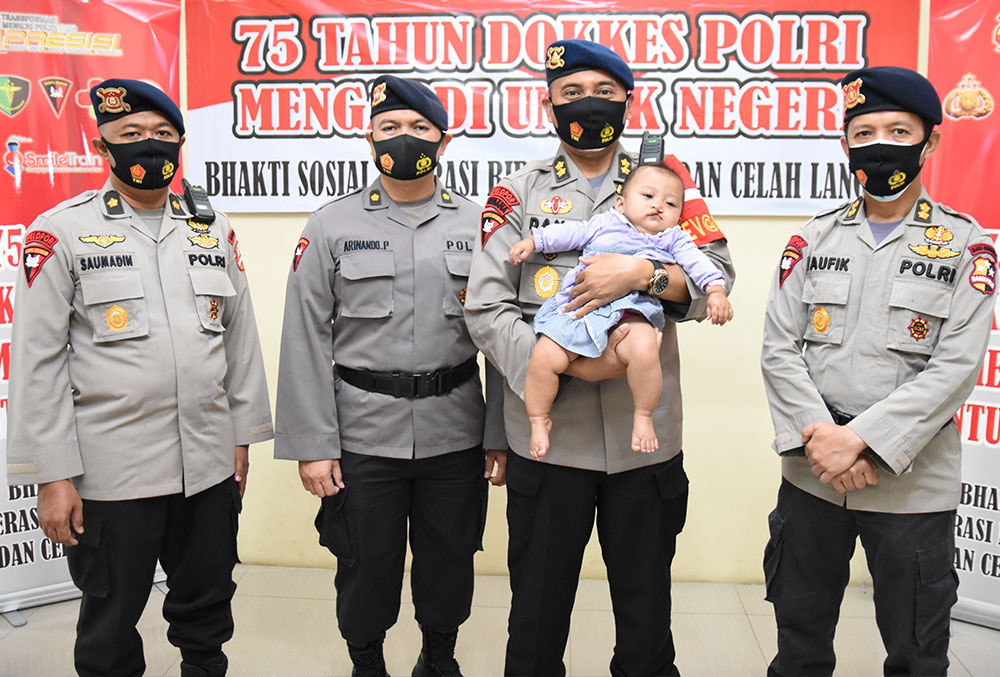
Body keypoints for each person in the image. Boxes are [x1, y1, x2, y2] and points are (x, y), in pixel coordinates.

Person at [465, 40, 736, 676]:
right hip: (550, 445)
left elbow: (715, 279)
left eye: (606, 92)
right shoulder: (517, 194)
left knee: (646, 620)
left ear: (629, 102)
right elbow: (484, 307)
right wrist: (555, 361)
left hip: (646, 448)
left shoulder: (668, 187)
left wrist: (643, 272)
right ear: (549, 105)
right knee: (535, 617)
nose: (590, 103)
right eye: (572, 92)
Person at [5, 79, 273, 677]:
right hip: (111, 475)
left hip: (206, 466)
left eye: (161, 135)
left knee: (206, 612)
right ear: (101, 146)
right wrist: (51, 476)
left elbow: (241, 341)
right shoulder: (61, 232)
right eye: (130, 136)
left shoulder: (211, 228)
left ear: (180, 143)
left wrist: (241, 439)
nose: (148, 147)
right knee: (110, 618)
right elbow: (37, 362)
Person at [760, 66, 995, 676]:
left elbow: (955, 367)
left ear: (931, 141)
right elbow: (779, 348)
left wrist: (858, 440)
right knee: (799, 643)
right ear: (845, 145)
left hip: (913, 486)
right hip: (813, 478)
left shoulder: (967, 246)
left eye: (899, 129)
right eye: (863, 132)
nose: (880, 143)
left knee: (917, 652)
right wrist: (824, 439)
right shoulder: (811, 239)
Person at [273, 75, 505, 677]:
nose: (405, 138)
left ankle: (439, 656)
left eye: (420, 128)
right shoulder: (329, 225)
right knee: (364, 562)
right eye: (390, 127)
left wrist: (499, 434)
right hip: (360, 435)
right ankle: (366, 661)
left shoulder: (480, 225)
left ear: (444, 141)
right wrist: (313, 446)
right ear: (368, 137)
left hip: (455, 429)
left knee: (450, 559)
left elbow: (501, 337)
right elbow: (303, 339)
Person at [508, 163, 732, 457]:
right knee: (544, 356)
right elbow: (572, 232)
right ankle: (538, 419)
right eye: (648, 196)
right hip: (581, 308)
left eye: (670, 203)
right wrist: (535, 240)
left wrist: (715, 289)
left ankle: (643, 416)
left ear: (680, 215)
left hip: (633, 308)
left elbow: (700, 264)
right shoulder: (605, 223)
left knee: (644, 349)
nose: (658, 206)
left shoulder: (674, 238)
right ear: (621, 203)